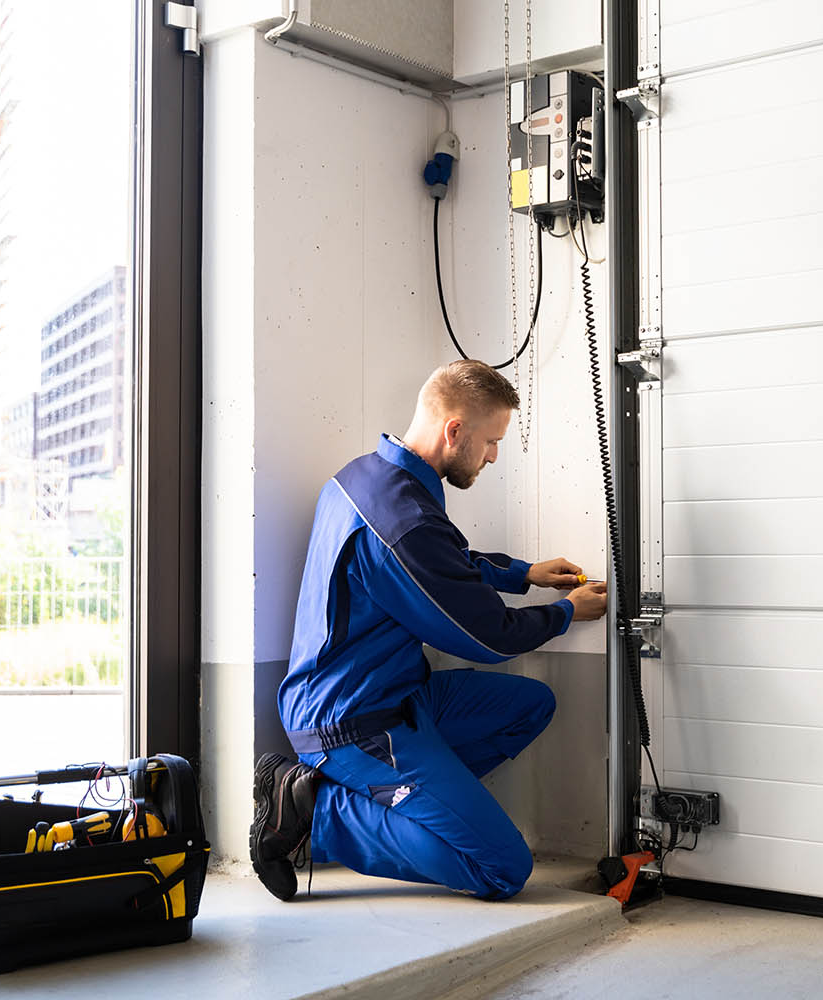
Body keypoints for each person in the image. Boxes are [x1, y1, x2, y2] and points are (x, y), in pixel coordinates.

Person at [251, 360, 609, 902]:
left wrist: (524, 574)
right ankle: (317, 813)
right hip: (350, 722)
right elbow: (490, 637)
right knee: (502, 869)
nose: (493, 456)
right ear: (455, 430)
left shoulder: (367, 477)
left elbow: (445, 564)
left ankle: (412, 805)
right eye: (491, 441)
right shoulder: (402, 522)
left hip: (398, 695)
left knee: (531, 705)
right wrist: (564, 613)